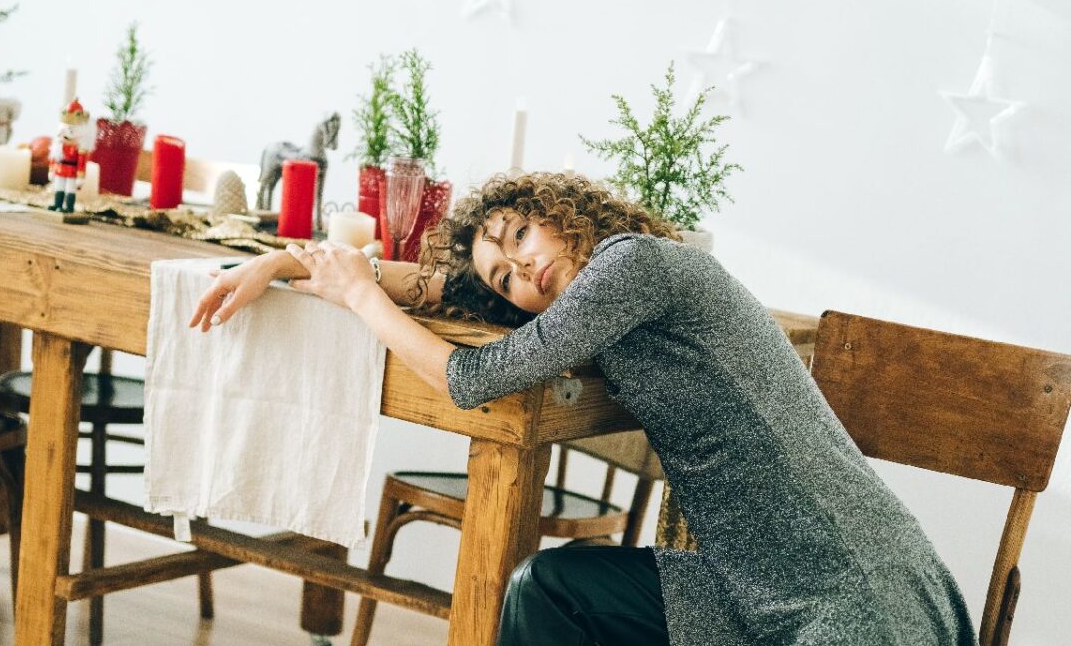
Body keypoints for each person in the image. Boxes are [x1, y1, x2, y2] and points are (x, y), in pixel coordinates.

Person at [190, 172, 977, 645]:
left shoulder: (632, 266)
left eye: (521, 234)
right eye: (502, 278)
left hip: (858, 598)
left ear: (562, 211)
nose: (521, 268)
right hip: (753, 592)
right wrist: (283, 261)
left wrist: (359, 298)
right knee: (552, 590)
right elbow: (428, 286)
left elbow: (473, 377)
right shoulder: (595, 304)